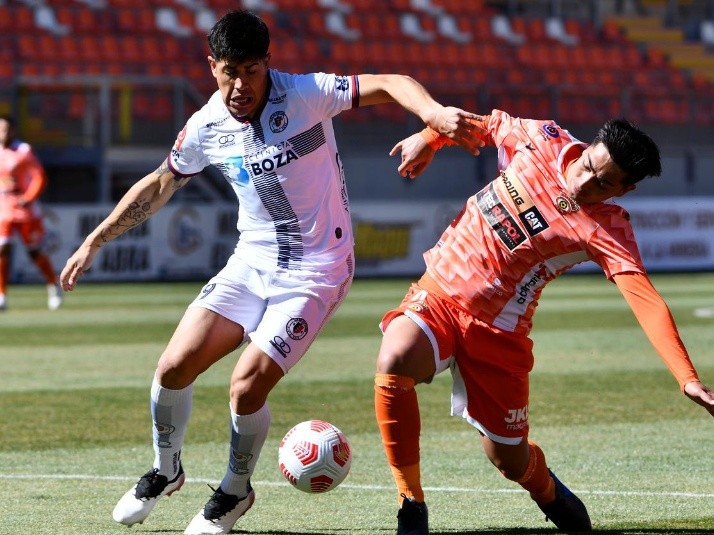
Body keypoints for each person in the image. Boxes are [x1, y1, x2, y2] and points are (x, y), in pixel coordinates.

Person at [59, 9, 479, 535]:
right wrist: (96, 239)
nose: (240, 84)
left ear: (268, 66)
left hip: (318, 270)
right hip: (251, 261)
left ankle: (235, 492)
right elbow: (162, 182)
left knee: (244, 387)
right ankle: (166, 471)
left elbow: (392, 83)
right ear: (212, 66)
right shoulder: (206, 125)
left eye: (251, 70)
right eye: (229, 70)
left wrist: (434, 114)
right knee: (172, 367)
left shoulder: (305, 94)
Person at [375, 109, 714, 534]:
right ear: (588, 146)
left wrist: (687, 377)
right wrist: (430, 136)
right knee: (395, 358)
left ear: (624, 191)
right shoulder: (540, 138)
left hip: (499, 336)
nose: (584, 181)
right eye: (588, 164)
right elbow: (473, 125)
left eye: (603, 183)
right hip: (440, 294)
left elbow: (645, 300)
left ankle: (548, 490)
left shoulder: (606, 229)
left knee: (508, 460)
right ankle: (411, 502)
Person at [0, 115, 63, 311]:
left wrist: (28, 197)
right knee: (2, 249)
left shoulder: (23, 151)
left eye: (7, 129)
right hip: (4, 208)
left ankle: (53, 284)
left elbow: (39, 176)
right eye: (0, 129)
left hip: (25, 209)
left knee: (34, 252)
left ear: (13, 131)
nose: (3, 133)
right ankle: (1, 295)